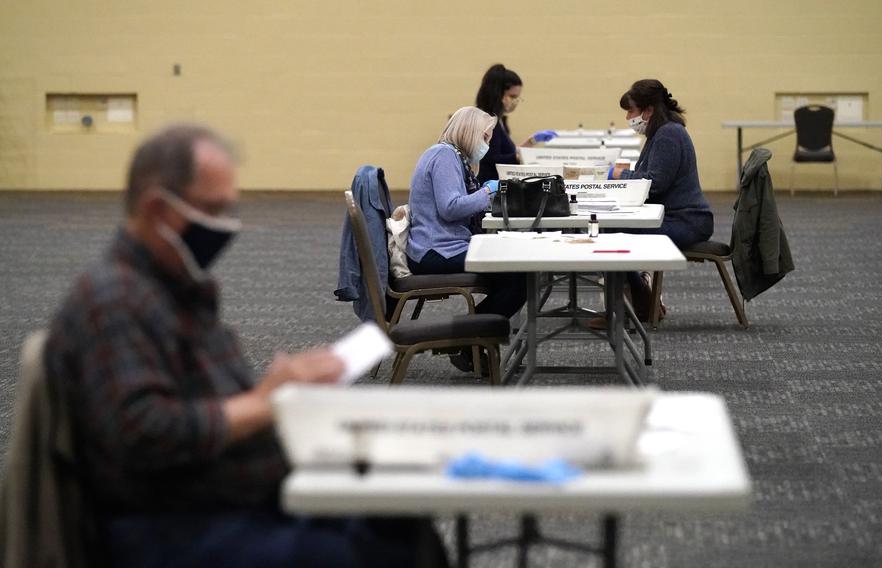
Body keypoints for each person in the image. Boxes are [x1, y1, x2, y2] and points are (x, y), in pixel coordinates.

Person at [43, 124, 449, 568]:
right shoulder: (114, 299)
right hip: (173, 522)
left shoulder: (172, 286)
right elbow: (146, 432)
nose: (225, 226)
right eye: (212, 210)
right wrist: (266, 399)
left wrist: (288, 388)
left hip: (228, 496)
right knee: (363, 549)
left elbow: (219, 401)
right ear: (157, 208)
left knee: (400, 521)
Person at [406, 107, 526, 372]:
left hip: (445, 244)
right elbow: (451, 207)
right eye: (485, 138)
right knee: (517, 278)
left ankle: (470, 344)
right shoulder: (444, 156)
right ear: (470, 132)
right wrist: (487, 192)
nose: (487, 144)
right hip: (436, 250)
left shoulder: (452, 157)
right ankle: (464, 340)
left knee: (512, 273)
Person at [608, 79, 715, 318]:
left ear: (648, 110)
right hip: (675, 216)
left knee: (611, 235)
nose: (628, 117)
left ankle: (636, 301)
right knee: (610, 229)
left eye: (631, 111)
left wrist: (618, 174)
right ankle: (637, 300)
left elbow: (654, 184)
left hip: (687, 221)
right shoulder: (661, 132)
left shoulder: (668, 135)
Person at [474, 63, 557, 183]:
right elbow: (492, 159)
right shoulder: (487, 120)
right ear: (498, 94)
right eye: (512, 96)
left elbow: (508, 153)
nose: (515, 101)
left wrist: (532, 141)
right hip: (488, 185)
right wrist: (525, 156)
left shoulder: (500, 120)